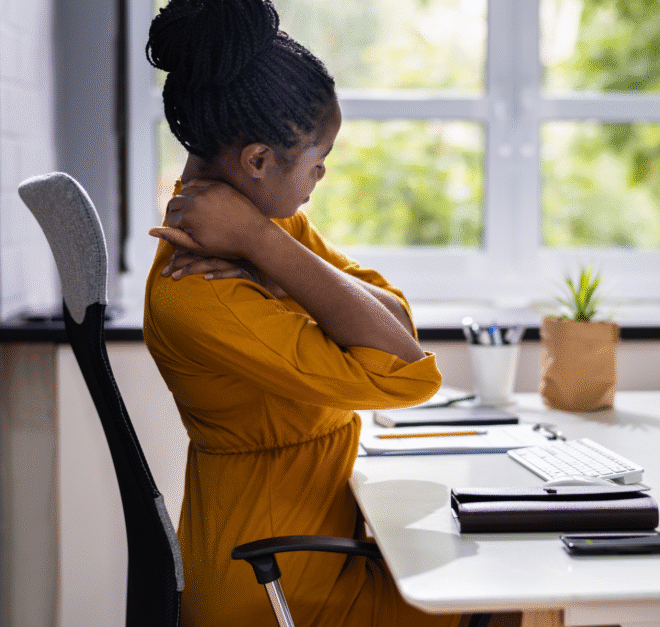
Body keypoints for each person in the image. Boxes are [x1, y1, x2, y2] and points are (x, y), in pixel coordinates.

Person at [141, 1, 464, 624]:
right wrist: (266, 249)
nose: (320, 174)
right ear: (259, 160)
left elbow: (393, 319)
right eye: (318, 159)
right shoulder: (200, 289)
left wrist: (271, 255)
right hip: (277, 587)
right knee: (520, 603)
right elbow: (404, 371)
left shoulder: (262, 225)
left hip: (313, 557)